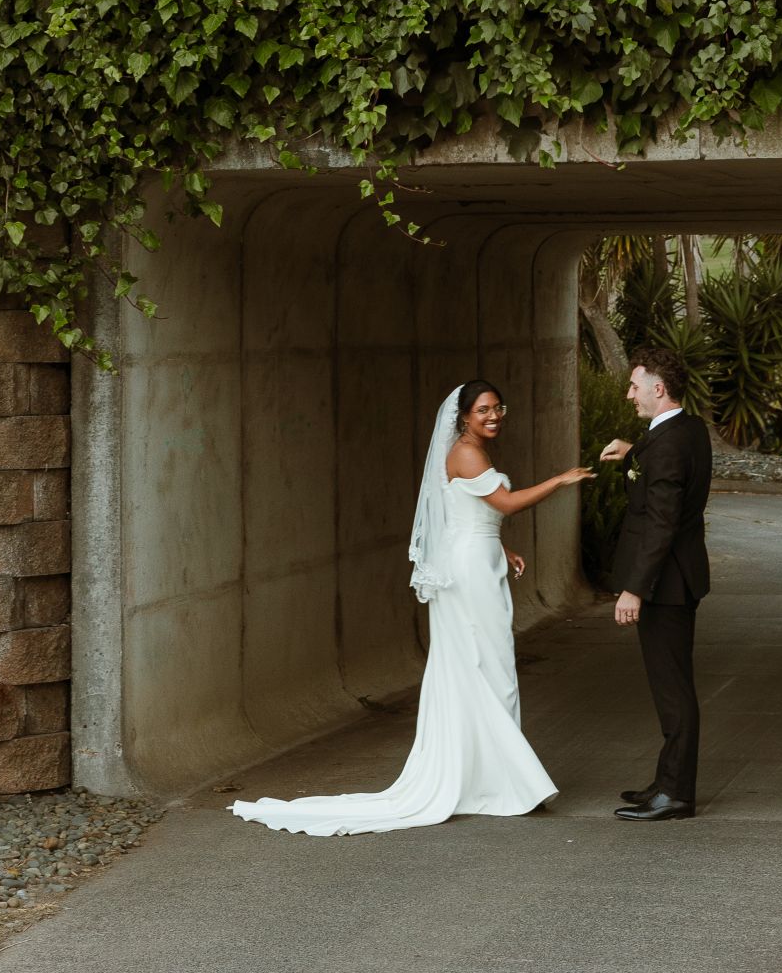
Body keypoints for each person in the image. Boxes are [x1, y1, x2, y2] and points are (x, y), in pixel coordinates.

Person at [231, 380, 592, 836]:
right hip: (469, 572)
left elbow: (466, 514)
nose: (494, 416)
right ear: (464, 416)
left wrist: (501, 547)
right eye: (483, 409)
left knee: (487, 664)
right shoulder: (466, 453)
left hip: (478, 562)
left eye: (499, 407)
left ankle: (490, 777)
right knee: (485, 665)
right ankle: (500, 780)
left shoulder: (471, 452)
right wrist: (560, 480)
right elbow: (504, 503)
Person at [599, 346, 712, 822]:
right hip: (679, 578)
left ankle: (676, 794)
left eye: (634, 386)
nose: (629, 395)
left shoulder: (666, 444)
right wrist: (632, 452)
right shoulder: (688, 429)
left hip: (665, 586)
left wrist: (634, 589)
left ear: (658, 388)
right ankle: (667, 781)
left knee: (672, 690)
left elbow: (661, 523)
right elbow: (665, 468)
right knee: (671, 685)